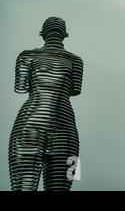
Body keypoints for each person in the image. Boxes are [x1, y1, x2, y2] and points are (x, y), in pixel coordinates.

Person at [8, 17, 83, 191]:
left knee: (22, 187)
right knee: (64, 185)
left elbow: (20, 87)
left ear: (42, 33)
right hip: (67, 127)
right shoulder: (77, 61)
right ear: (66, 34)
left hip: (27, 125)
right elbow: (75, 89)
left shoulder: (25, 56)